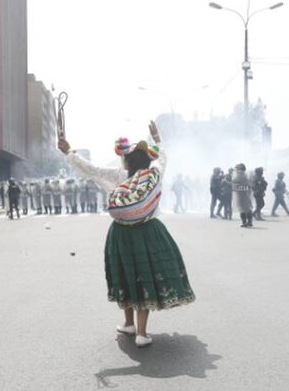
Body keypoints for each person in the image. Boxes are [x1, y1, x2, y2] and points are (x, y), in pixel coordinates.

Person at [58, 121, 195, 348]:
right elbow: (163, 157)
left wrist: (69, 152)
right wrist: (157, 139)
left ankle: (128, 323)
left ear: (126, 161)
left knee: (126, 274)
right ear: (147, 159)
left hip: (121, 232)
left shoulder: (120, 175)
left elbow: (91, 169)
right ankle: (142, 333)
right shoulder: (155, 172)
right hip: (149, 231)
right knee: (145, 276)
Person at [232, 163, 254, 228]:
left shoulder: (240, 175)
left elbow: (234, 183)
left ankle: (245, 222)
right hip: (244, 194)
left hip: (242, 194)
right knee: (246, 208)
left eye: (238, 168)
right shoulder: (245, 175)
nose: (236, 170)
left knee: (242, 209)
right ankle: (249, 222)